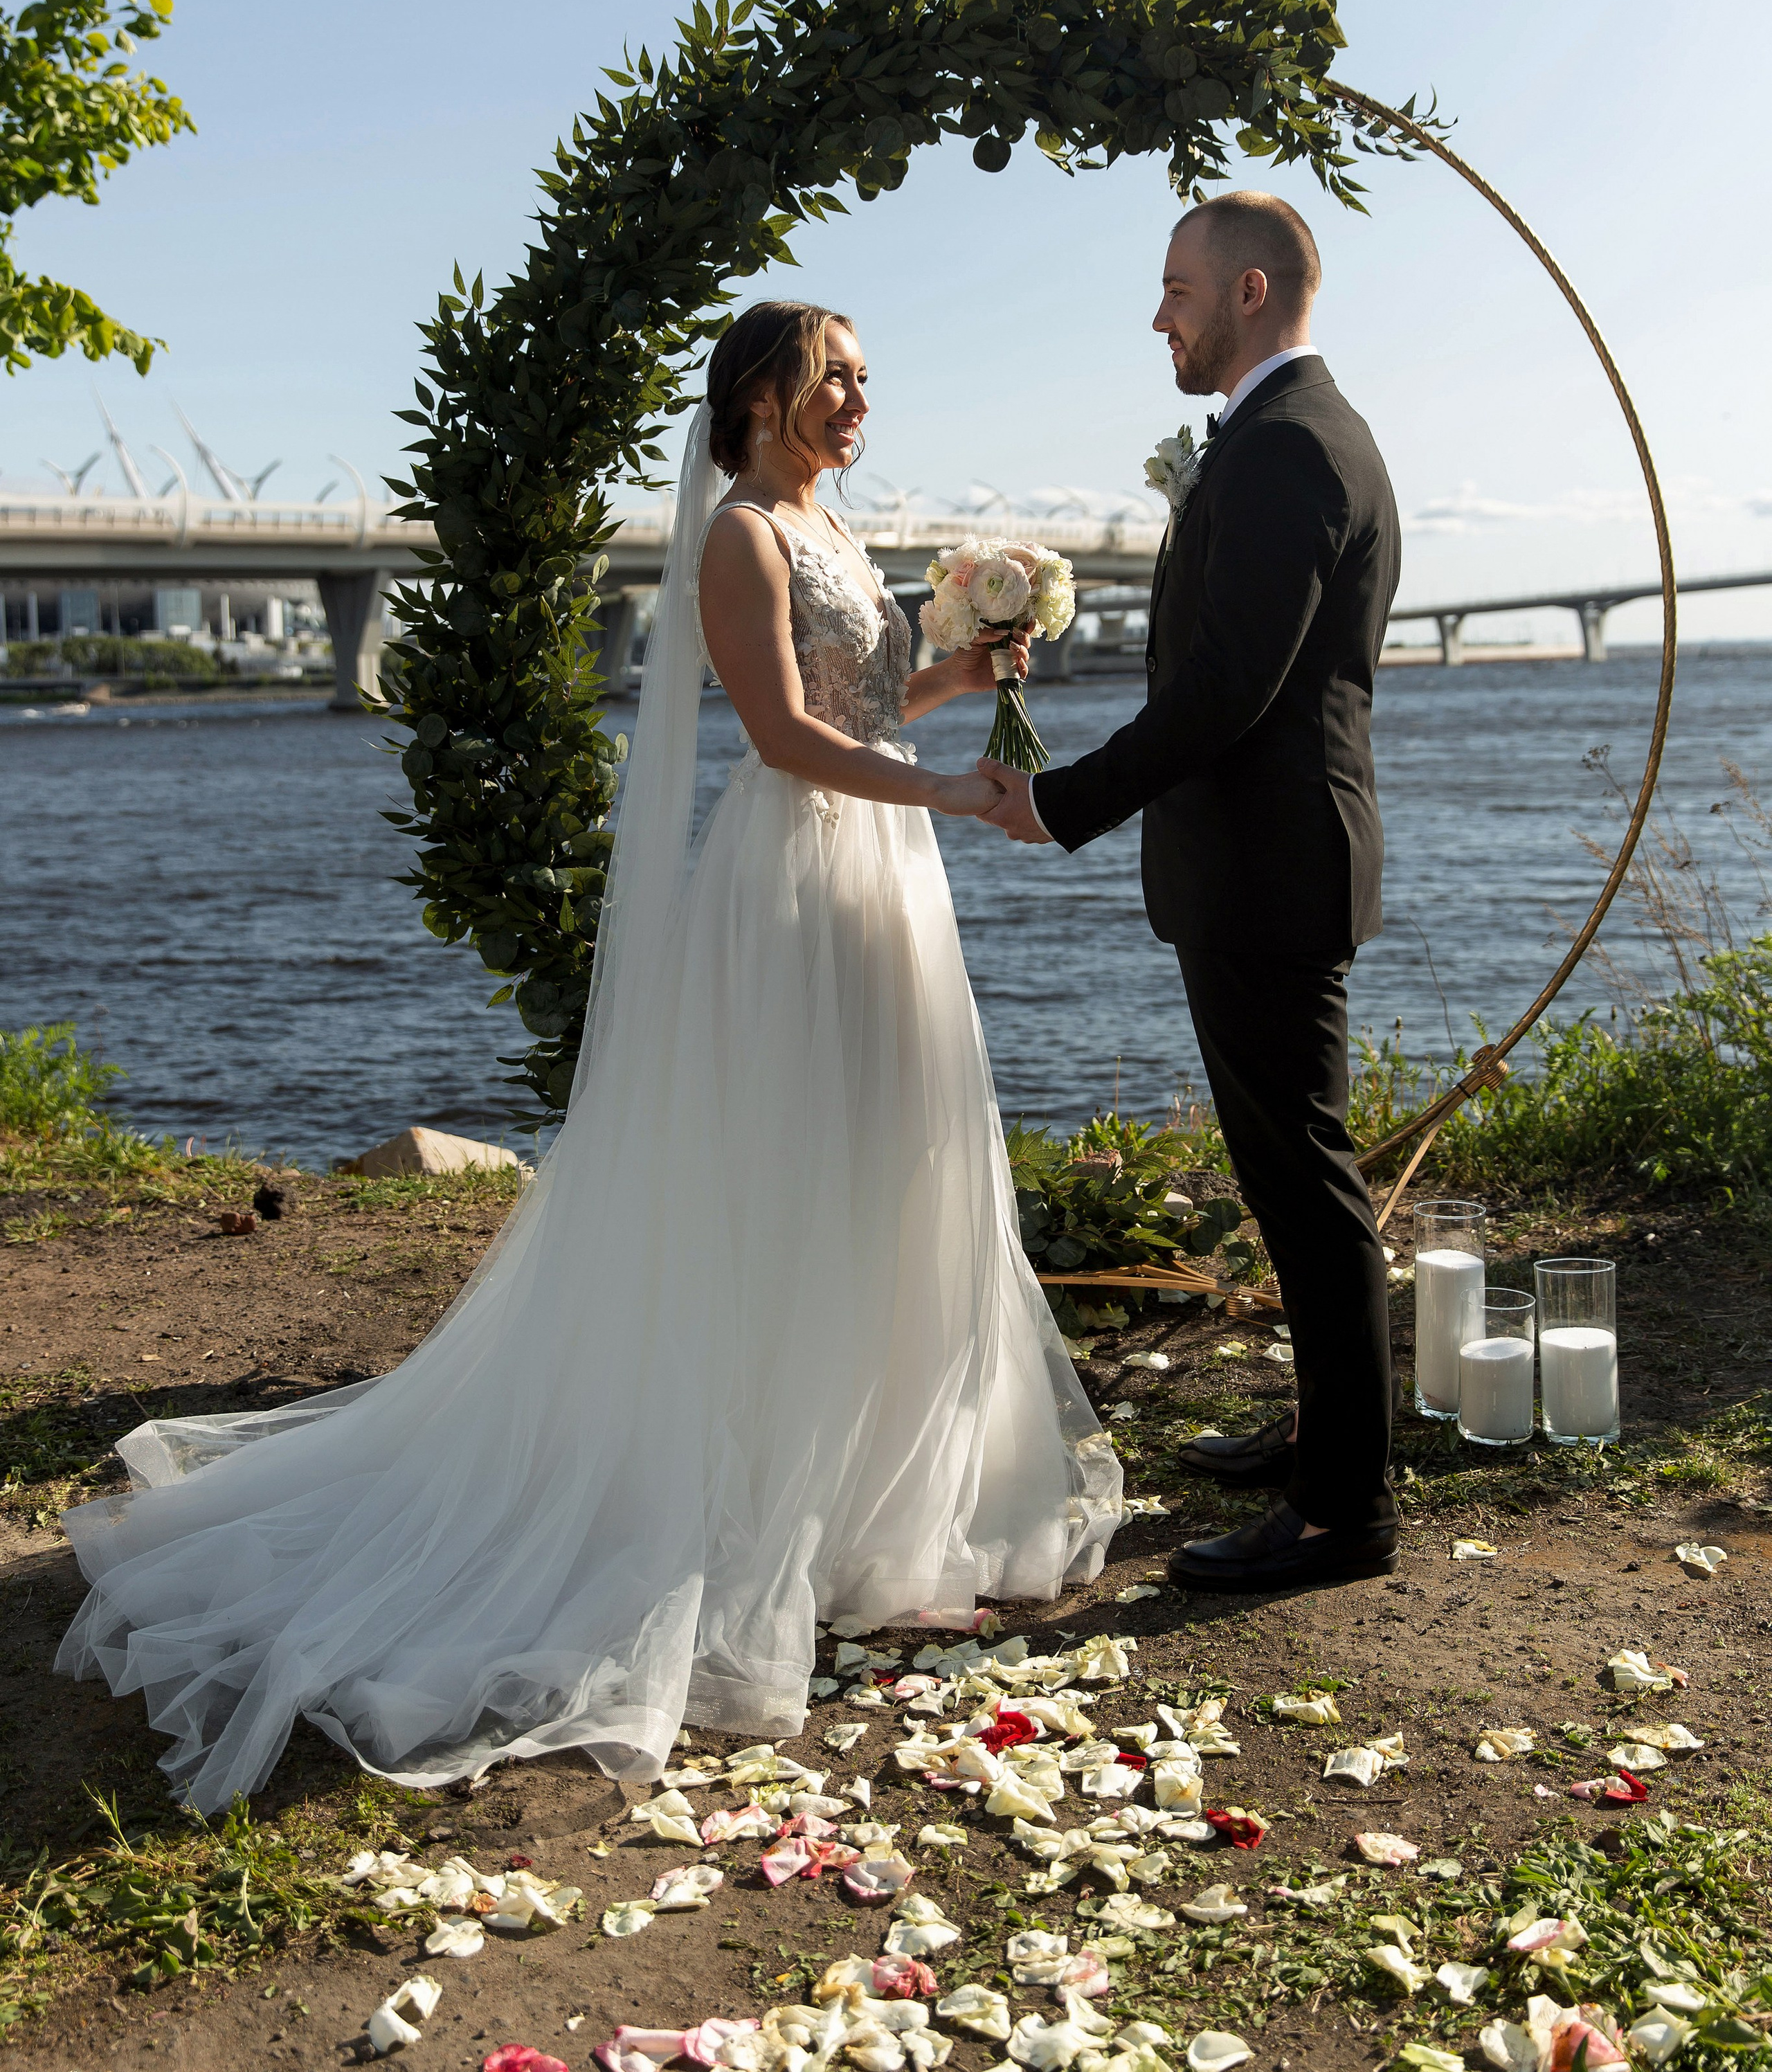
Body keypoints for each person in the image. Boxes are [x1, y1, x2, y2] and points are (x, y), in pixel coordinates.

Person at [56, 299, 1119, 1813]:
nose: (857, 400)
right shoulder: (743, 537)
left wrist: (972, 669)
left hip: (891, 873)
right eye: (835, 376)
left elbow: (866, 701)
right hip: (803, 872)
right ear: (760, 393)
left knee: (897, 1152)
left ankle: (867, 1504)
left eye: (866, 379)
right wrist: (948, 789)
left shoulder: (835, 526)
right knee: (793, 1165)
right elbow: (780, 736)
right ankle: (763, 1502)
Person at [979, 192, 1402, 1592]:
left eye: (1175, 287)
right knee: (1286, 1180)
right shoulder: (1281, 439)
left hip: (1272, 870)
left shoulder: (1287, 451)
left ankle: (1342, 1511)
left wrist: (1060, 800)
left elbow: (1228, 690)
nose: (1155, 313)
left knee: (1306, 1184)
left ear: (1250, 291)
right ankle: (1313, 1436)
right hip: (1258, 864)